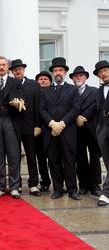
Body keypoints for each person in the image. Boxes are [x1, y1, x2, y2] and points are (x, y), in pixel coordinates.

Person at [40, 57, 81, 200]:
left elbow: (75, 109)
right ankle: (57, 189)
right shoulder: (45, 91)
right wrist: (52, 124)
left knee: (69, 160)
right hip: (51, 131)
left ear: (65, 72)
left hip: (68, 130)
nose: (58, 73)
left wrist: (62, 124)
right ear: (53, 73)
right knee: (54, 161)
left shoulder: (73, 89)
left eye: (60, 70)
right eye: (55, 70)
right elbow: (42, 110)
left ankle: (72, 189)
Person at [0, 56, 25, 199]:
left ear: (8, 66)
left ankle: (14, 187)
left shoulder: (16, 82)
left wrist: (18, 104)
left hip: (11, 122)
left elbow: (22, 100)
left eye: (3, 64)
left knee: (14, 156)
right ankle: (0, 187)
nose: (1, 67)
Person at [10, 59, 41, 196]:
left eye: (20, 69)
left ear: (23, 70)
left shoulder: (33, 85)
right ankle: (17, 184)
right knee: (14, 156)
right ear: (11, 71)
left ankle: (33, 184)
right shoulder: (9, 85)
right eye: (15, 69)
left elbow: (38, 106)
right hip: (14, 126)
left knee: (31, 155)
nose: (17, 71)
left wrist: (37, 125)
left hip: (30, 126)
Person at [70, 66, 102, 196]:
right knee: (80, 158)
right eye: (76, 76)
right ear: (72, 78)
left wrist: (84, 116)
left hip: (91, 129)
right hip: (76, 130)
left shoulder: (95, 91)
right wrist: (76, 117)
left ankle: (95, 185)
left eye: (81, 75)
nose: (78, 77)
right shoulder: (70, 92)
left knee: (94, 157)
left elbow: (96, 105)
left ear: (86, 77)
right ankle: (83, 184)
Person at [94, 60, 109, 206]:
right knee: (107, 161)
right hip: (102, 128)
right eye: (100, 72)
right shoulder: (99, 90)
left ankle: (105, 193)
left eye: (105, 70)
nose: (103, 73)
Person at [35, 71, 52, 191]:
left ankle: (59, 182)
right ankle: (45, 181)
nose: (43, 80)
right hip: (38, 132)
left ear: (50, 82)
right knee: (41, 159)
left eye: (46, 79)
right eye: (40, 79)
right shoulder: (34, 94)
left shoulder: (54, 93)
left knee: (54, 158)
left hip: (52, 131)